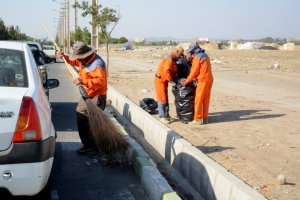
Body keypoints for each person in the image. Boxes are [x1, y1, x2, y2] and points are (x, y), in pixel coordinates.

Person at [57, 41, 107, 154]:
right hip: (87, 94)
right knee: (81, 115)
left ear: (86, 55)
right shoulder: (82, 60)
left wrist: (83, 81)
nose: (78, 60)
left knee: (93, 122)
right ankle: (88, 145)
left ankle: (95, 146)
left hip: (97, 96)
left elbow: (101, 82)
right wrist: (63, 56)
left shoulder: (97, 64)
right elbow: (74, 61)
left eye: (79, 57)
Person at [182, 43, 213, 125]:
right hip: (209, 80)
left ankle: (198, 119)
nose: (191, 54)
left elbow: (194, 72)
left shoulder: (197, 57)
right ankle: (205, 118)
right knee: (205, 99)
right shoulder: (205, 55)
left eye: (191, 52)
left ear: (193, 51)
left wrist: (186, 81)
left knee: (198, 100)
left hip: (203, 80)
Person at [154, 45, 184, 124]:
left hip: (164, 80)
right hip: (160, 80)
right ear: (176, 51)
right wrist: (171, 81)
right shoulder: (169, 58)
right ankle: (162, 116)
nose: (180, 57)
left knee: (165, 98)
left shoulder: (173, 59)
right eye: (180, 54)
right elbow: (166, 71)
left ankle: (166, 115)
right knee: (162, 98)